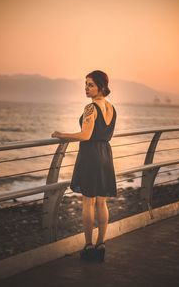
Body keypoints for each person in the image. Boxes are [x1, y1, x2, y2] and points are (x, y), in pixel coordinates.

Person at [51, 70, 117, 262]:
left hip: (90, 156)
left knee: (88, 202)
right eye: (86, 84)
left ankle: (88, 247)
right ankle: (101, 244)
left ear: (101, 87)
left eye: (90, 85)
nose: (86, 88)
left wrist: (61, 134)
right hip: (106, 154)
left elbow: (86, 135)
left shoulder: (90, 108)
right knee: (102, 202)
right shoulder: (112, 108)